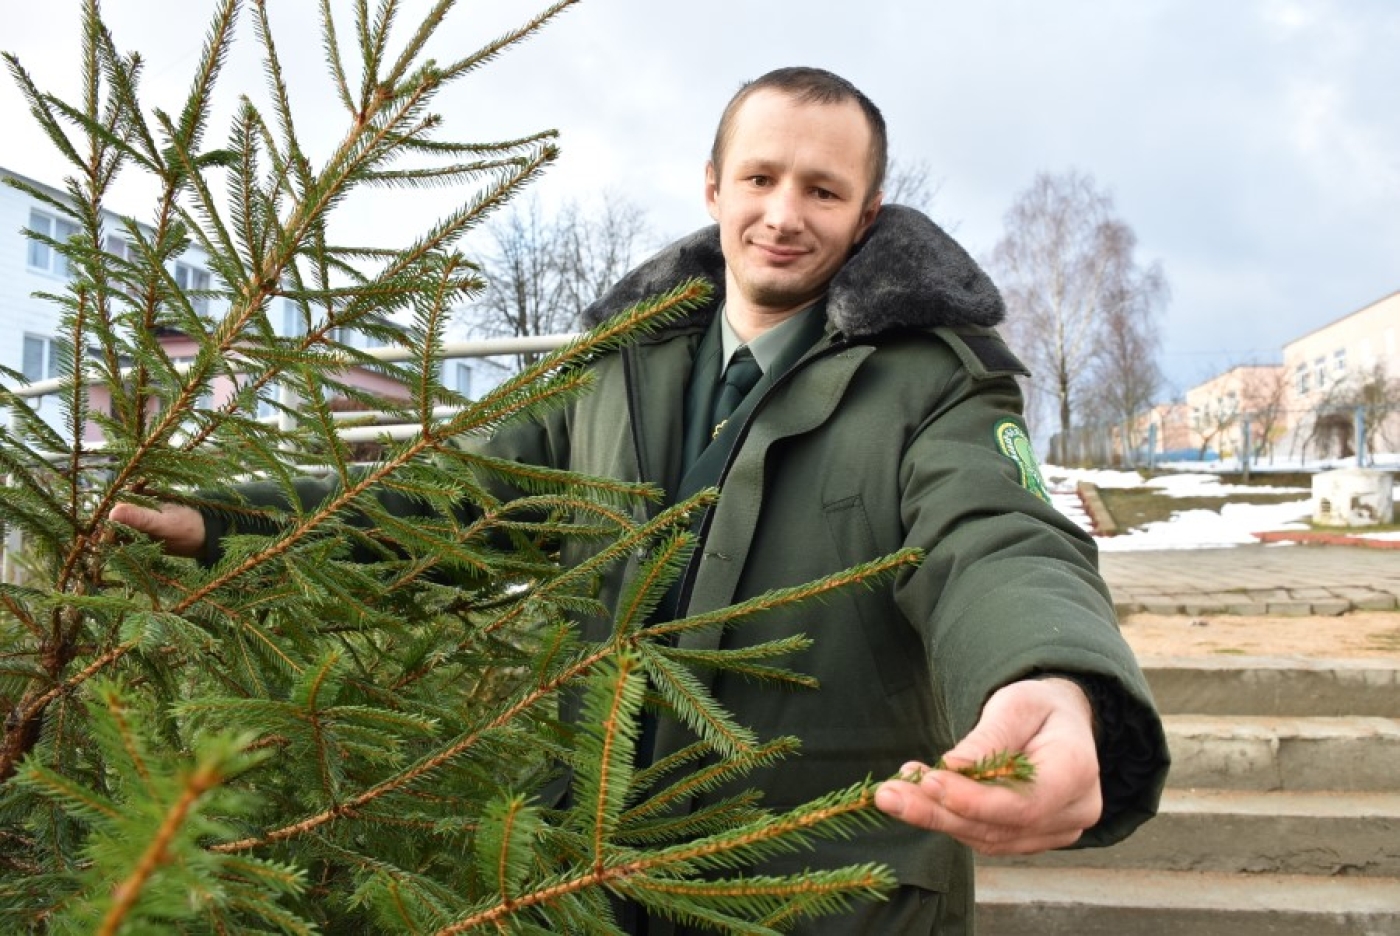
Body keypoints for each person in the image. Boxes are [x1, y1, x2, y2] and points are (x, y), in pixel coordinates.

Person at [113, 67, 1168, 934]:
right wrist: (228, 524)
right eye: (759, 177)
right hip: (588, 877)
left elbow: (992, 531)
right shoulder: (612, 367)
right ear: (712, 185)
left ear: (866, 213)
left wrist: (1053, 680)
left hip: (823, 890)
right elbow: (451, 498)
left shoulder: (938, 378)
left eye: (821, 190)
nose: (782, 215)